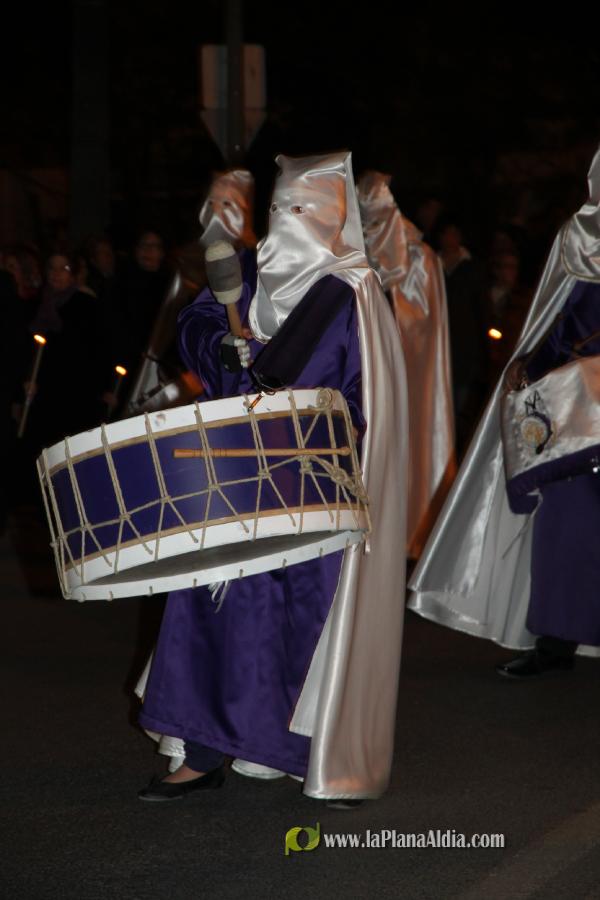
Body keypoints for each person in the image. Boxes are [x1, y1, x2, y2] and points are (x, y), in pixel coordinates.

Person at [137, 151, 408, 806]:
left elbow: (370, 397)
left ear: (335, 216)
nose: (293, 221)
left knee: (301, 624)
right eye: (283, 209)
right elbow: (197, 325)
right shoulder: (250, 273)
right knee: (210, 607)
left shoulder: (355, 293)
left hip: (312, 484)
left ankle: (309, 754)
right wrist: (221, 346)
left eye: (308, 210)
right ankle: (201, 751)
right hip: (233, 471)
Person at [408, 145, 600, 678]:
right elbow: (556, 316)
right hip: (576, 409)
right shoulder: (578, 235)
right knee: (565, 521)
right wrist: (530, 360)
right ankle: (556, 642)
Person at [358, 171, 455, 558]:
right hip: (366, 376)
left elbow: (422, 329)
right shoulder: (354, 251)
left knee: (409, 446)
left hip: (406, 379)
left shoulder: (421, 259)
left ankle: (407, 535)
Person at [436, 218, 488, 455]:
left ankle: (456, 456)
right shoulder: (430, 263)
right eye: (447, 233)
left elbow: (481, 312)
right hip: (437, 348)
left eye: (455, 233)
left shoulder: (473, 268)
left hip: (465, 349)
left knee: (459, 408)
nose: (450, 238)